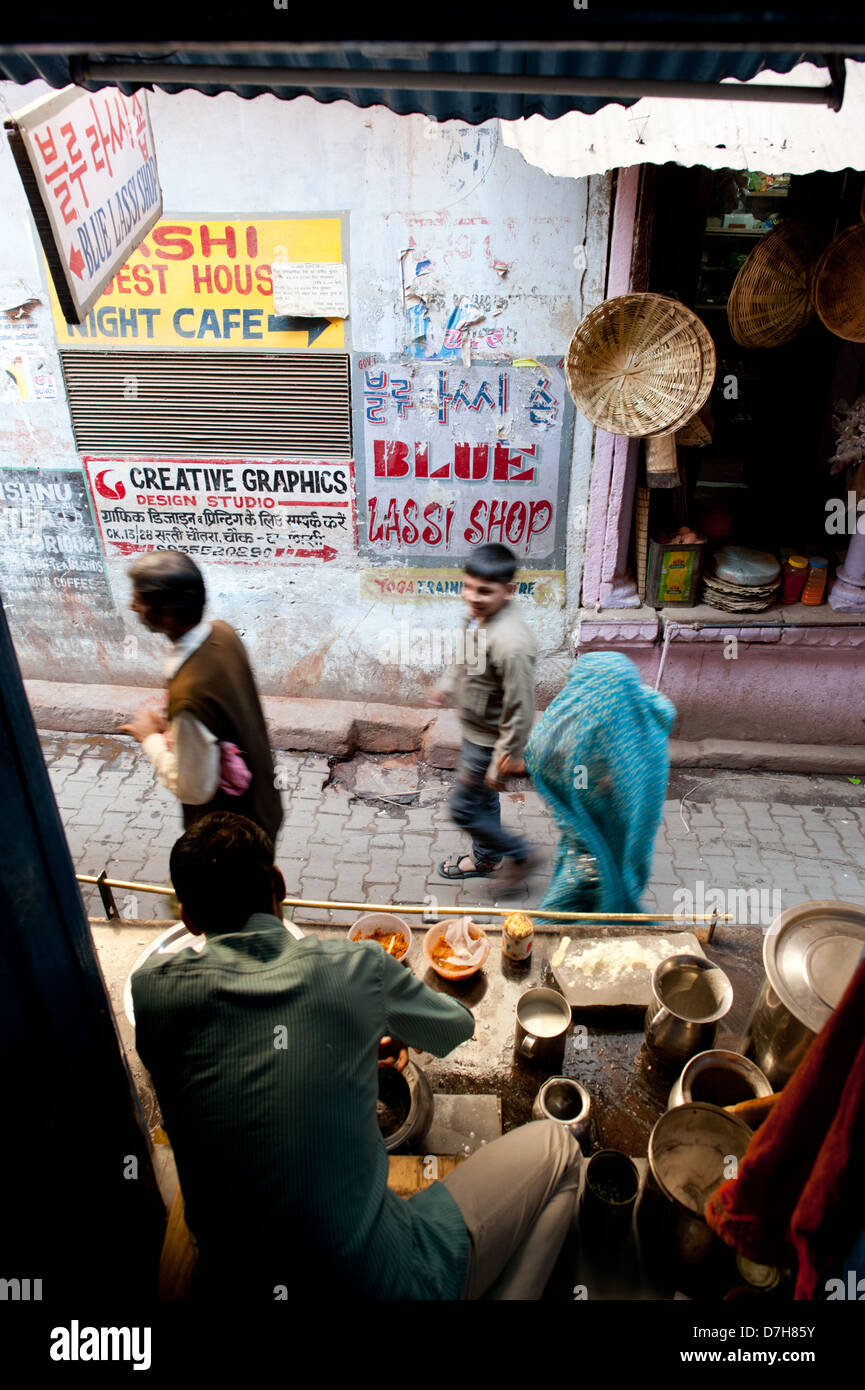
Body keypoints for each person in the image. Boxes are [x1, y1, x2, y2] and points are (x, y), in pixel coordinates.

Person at [132, 812, 581, 1300]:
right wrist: (374, 1019)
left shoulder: (152, 993)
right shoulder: (356, 968)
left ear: (190, 918)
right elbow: (456, 1026)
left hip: (226, 1283)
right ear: (279, 884)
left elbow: (240, 1063)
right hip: (381, 1279)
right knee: (562, 1152)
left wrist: (342, 1041)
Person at [119, 551, 282, 843]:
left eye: (139, 601)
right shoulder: (222, 634)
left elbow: (193, 788)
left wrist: (150, 739)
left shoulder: (191, 700)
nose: (132, 607)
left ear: (167, 611)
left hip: (230, 844)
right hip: (263, 809)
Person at [515, 652, 676, 916]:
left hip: (594, 850)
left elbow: (551, 760)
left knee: (564, 915)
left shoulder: (591, 743)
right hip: (621, 846)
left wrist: (518, 766)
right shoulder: (636, 718)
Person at [432, 542, 540, 887]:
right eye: (468, 586)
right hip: (475, 731)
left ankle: (520, 853)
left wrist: (500, 763)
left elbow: (520, 711)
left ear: (508, 591)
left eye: (484, 591)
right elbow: (466, 655)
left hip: (488, 744)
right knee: (483, 799)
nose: (472, 597)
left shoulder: (512, 643)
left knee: (463, 810)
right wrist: (448, 683)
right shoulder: (481, 615)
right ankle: (489, 859)